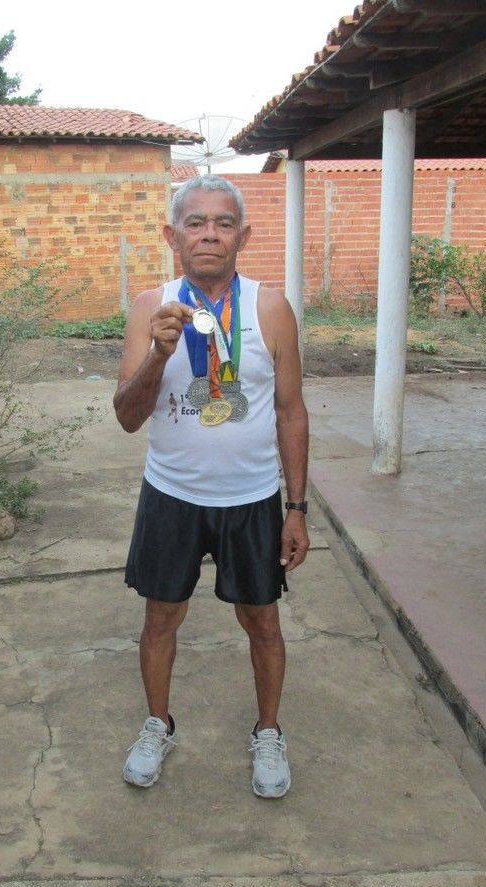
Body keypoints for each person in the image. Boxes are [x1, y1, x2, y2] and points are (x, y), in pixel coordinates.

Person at [113, 175, 309, 798]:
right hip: (171, 492)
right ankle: (157, 723)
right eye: (195, 223)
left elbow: (290, 412)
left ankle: (269, 732)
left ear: (242, 236)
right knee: (161, 616)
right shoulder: (150, 306)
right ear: (173, 236)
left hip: (252, 497)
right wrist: (159, 355)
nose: (209, 235)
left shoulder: (270, 307)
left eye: (223, 224)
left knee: (263, 621)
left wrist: (297, 507)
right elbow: (126, 415)